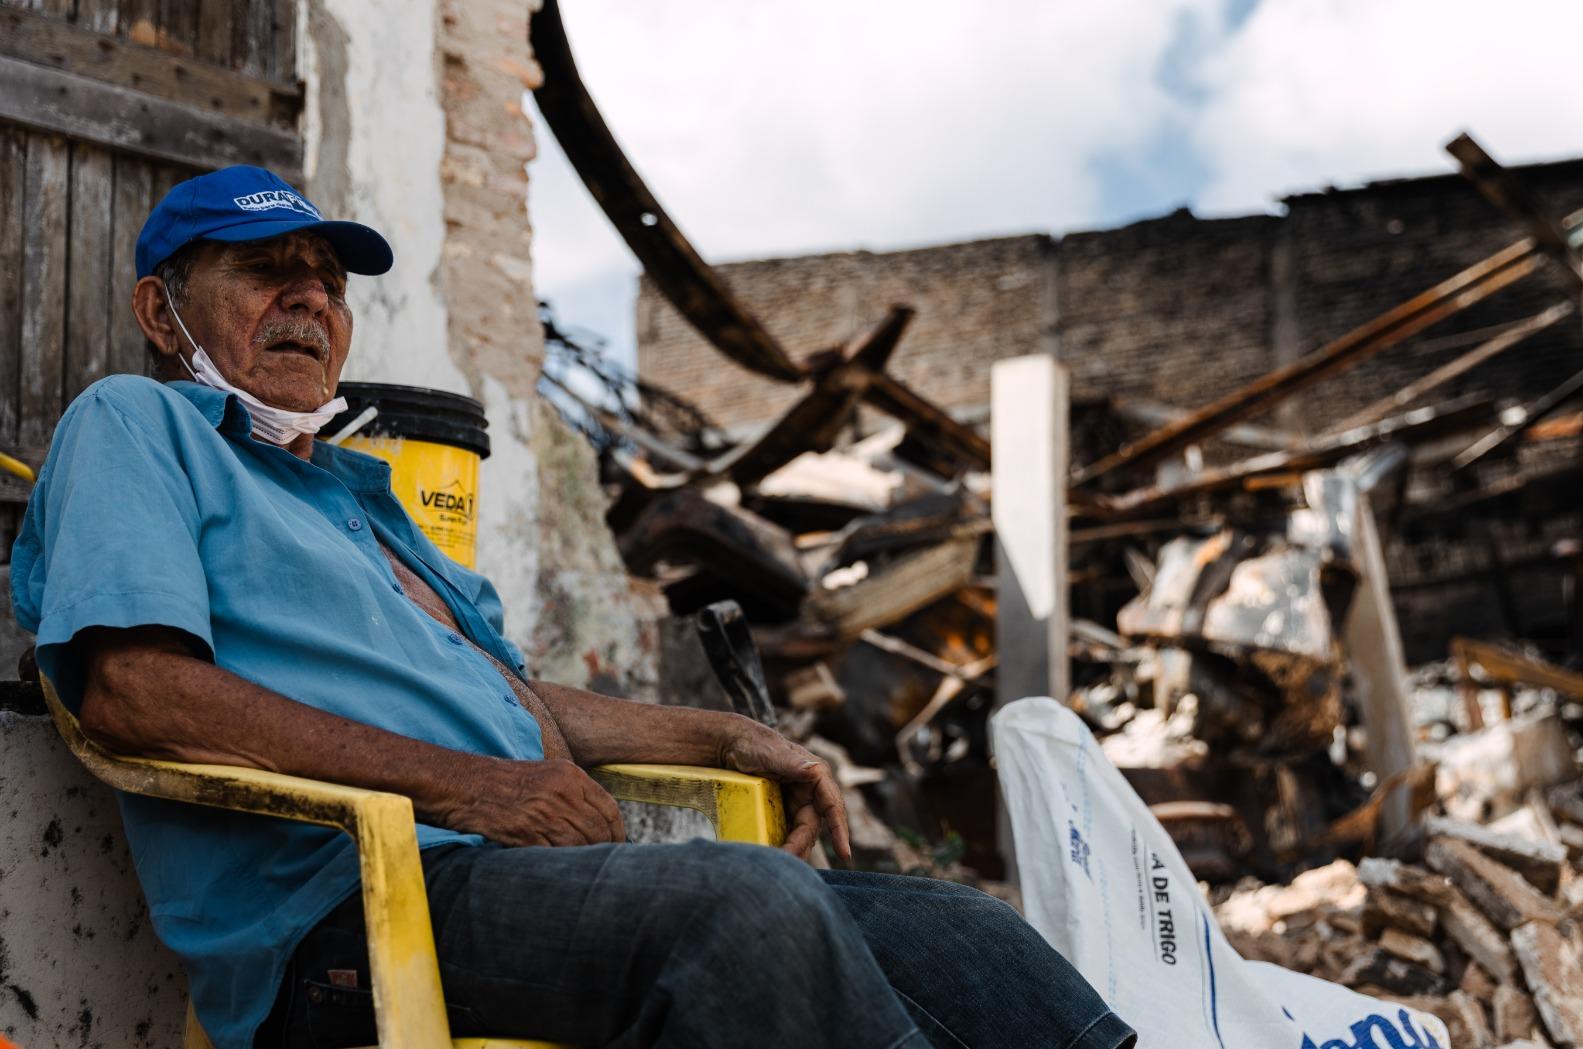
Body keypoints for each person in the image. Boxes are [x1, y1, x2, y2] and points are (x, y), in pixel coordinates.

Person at [12, 166, 1136, 1049]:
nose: (309, 297)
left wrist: (731, 733)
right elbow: (133, 690)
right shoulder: (135, 427)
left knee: (962, 933)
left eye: (329, 281)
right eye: (267, 270)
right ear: (162, 312)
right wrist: (484, 788)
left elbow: (508, 691)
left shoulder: (358, 496)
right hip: (348, 909)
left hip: (508, 872)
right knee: (742, 910)